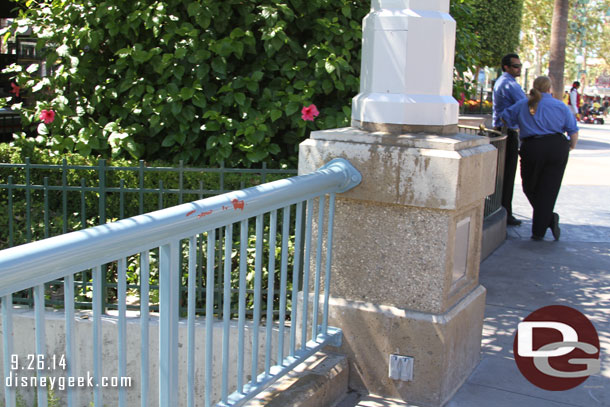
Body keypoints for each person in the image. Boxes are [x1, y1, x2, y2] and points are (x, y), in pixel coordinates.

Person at [501, 76, 579, 241]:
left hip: (533, 147)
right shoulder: (560, 106)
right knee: (549, 189)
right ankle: (544, 224)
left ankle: (541, 228)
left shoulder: (523, 104)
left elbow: (504, 117)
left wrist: (517, 125)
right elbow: (572, 129)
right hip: (557, 147)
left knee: (529, 187)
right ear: (549, 88)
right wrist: (571, 146)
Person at [492, 53, 526, 226]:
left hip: (503, 130)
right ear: (506, 67)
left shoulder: (504, 82)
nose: (518, 69)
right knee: (506, 173)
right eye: (515, 66)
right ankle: (505, 211)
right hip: (507, 131)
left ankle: (503, 210)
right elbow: (525, 103)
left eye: (520, 66)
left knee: (502, 173)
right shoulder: (508, 84)